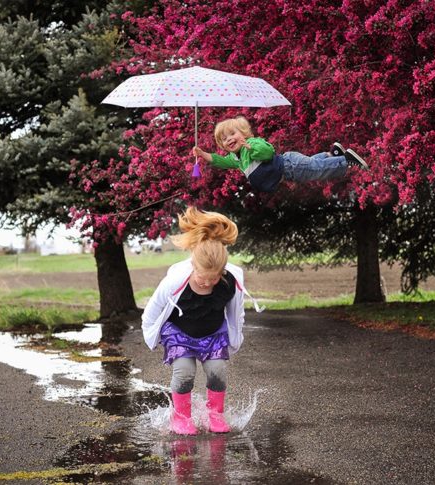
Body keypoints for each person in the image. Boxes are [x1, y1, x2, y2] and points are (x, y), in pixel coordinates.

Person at [141, 207, 262, 435]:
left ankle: (215, 414)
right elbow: (151, 311)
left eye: (213, 278)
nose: (207, 283)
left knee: (217, 371)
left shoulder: (229, 283)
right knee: (185, 373)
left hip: (212, 334)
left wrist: (236, 338)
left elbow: (237, 314)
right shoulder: (175, 280)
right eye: (202, 278)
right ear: (193, 266)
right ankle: (181, 417)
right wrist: (151, 334)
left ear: (222, 272)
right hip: (180, 333)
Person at [192, 116, 368, 193]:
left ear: (244, 134)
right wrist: (202, 154)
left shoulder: (251, 144)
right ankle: (332, 154)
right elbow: (220, 161)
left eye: (232, 134)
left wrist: (251, 148)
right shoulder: (236, 159)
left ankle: (345, 161)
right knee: (314, 166)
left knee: (316, 170)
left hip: (289, 164)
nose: (229, 139)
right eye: (223, 139)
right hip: (289, 171)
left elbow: (268, 153)